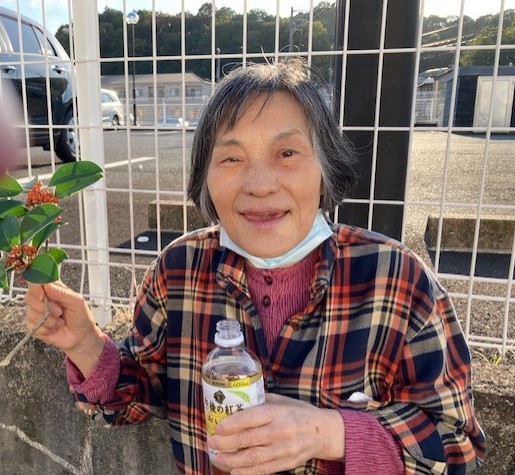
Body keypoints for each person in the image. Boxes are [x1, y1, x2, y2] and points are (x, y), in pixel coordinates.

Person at [25, 59, 485, 475]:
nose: (260, 184)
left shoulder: (397, 281)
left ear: (325, 169)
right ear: (205, 178)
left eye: (287, 154)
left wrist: (329, 433)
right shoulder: (178, 272)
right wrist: (85, 344)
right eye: (232, 157)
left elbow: (457, 448)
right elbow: (140, 394)